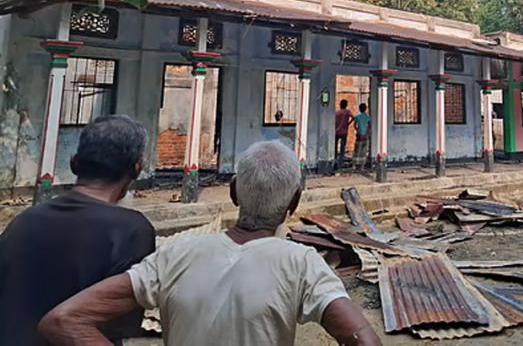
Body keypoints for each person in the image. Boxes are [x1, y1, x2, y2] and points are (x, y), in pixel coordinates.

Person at [39, 141, 381, 346]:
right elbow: (363, 339)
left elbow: (64, 320)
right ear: (294, 202)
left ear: (233, 192)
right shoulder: (303, 264)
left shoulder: (176, 254)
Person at [0, 115, 155, 346]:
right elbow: (115, 328)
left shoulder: (23, 221)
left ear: (74, 163)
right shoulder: (132, 231)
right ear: (137, 169)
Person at [334, 99, 354, 169]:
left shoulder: (337, 112)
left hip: (336, 131)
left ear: (340, 105)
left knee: (335, 147)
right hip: (344, 132)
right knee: (342, 148)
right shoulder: (347, 112)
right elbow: (353, 117)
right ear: (346, 105)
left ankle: (335, 161)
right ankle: (340, 163)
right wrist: (348, 123)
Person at [352, 103, 371, 171]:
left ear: (359, 109)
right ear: (365, 109)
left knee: (357, 150)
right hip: (365, 135)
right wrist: (367, 133)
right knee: (364, 151)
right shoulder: (368, 118)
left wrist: (357, 130)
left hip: (359, 135)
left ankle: (355, 165)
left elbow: (354, 125)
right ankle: (362, 166)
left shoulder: (357, 117)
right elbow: (369, 126)